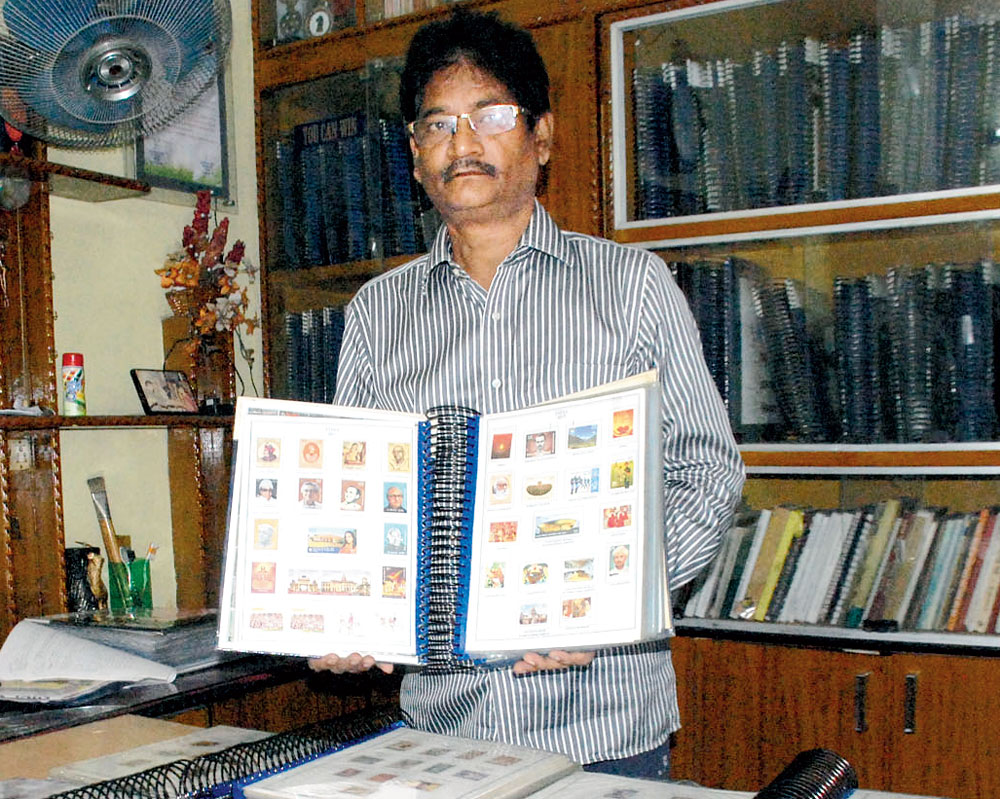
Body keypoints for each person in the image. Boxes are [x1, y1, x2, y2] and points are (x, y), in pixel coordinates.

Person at [308, 8, 744, 780]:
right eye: (438, 124)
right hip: (445, 733)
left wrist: (612, 605)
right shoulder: (376, 314)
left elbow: (707, 472)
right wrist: (347, 606)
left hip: (606, 724)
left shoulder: (632, 285)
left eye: (491, 116)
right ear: (414, 156)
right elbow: (365, 506)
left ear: (541, 136)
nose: (462, 143)